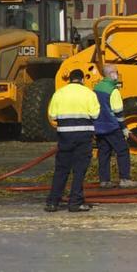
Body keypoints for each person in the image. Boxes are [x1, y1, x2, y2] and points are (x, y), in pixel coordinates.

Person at [45, 69, 100, 212]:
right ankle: (75, 202)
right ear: (82, 79)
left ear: (69, 79)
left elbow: (52, 114)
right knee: (79, 170)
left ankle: (53, 202)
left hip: (65, 136)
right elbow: (95, 114)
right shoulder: (89, 93)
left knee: (61, 170)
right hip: (83, 136)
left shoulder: (59, 94)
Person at [93, 65, 137, 189]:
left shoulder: (97, 87)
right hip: (111, 126)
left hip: (98, 127)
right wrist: (124, 128)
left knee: (104, 153)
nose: (117, 75)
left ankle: (104, 180)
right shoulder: (113, 90)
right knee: (123, 150)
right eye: (116, 73)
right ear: (112, 74)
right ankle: (125, 179)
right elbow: (118, 112)